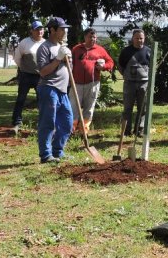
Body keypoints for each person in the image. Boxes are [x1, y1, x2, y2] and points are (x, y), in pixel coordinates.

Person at [36, 17, 73, 163]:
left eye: (65, 29)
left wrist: (69, 59)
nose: (65, 31)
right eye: (62, 29)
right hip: (49, 88)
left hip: (63, 90)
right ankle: (46, 155)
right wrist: (58, 59)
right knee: (48, 122)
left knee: (67, 122)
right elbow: (43, 72)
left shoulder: (63, 47)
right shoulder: (44, 48)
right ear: (52, 30)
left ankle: (57, 151)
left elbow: (70, 70)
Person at [70, 28, 114, 132]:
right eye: (90, 37)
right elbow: (70, 63)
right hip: (76, 83)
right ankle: (72, 129)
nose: (93, 39)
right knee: (73, 107)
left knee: (89, 107)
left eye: (94, 37)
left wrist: (104, 67)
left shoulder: (100, 50)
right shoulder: (76, 49)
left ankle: (84, 130)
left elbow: (110, 62)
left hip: (93, 83)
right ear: (85, 37)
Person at [10, 21, 45, 131]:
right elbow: (17, 58)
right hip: (26, 76)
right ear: (31, 31)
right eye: (37, 29)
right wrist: (24, 68)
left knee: (42, 100)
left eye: (41, 29)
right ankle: (16, 122)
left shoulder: (46, 43)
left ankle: (42, 122)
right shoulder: (24, 42)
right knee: (21, 99)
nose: (39, 31)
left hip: (40, 77)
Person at [118, 29, 151, 137]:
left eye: (141, 38)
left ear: (144, 39)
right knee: (127, 108)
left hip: (144, 83)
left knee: (143, 108)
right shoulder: (126, 51)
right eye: (137, 38)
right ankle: (126, 131)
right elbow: (120, 66)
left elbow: (152, 66)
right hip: (129, 83)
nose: (139, 40)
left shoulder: (148, 51)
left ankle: (139, 130)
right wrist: (126, 75)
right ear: (133, 38)